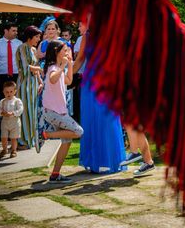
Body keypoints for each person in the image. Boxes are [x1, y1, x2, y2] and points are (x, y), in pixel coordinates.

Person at [74, 23, 126, 173]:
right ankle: (102, 161)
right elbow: (79, 60)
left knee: (103, 119)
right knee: (97, 120)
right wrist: (66, 76)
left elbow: (79, 61)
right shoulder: (88, 36)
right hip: (96, 81)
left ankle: (106, 161)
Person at [41, 40, 83, 183]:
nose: (66, 52)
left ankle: (55, 174)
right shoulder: (53, 68)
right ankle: (46, 135)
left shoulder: (58, 68)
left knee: (67, 141)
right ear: (56, 52)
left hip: (59, 111)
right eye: (64, 50)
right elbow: (53, 79)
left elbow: (69, 81)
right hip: (53, 112)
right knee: (78, 131)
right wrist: (63, 66)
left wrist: (69, 64)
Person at [15, 25, 43, 150]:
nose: (38, 39)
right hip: (24, 84)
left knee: (32, 111)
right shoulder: (22, 48)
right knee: (25, 111)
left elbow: (35, 67)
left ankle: (31, 140)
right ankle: (22, 141)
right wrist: (41, 69)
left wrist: (40, 81)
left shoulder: (32, 49)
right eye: (37, 37)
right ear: (30, 36)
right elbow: (27, 67)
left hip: (33, 84)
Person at [0, 21, 22, 98]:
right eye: (13, 31)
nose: (16, 33)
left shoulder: (20, 44)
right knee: (2, 99)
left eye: (16, 31)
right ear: (6, 31)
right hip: (1, 75)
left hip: (16, 75)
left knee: (16, 99)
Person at [0, 80, 24, 158]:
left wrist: (13, 113)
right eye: (7, 92)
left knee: (13, 138)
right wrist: (2, 113)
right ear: (3, 92)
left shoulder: (17, 101)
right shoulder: (2, 101)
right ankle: (4, 149)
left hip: (15, 122)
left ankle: (14, 150)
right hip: (5, 122)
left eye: (11, 91)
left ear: (15, 91)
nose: (9, 94)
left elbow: (21, 109)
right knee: (3, 137)